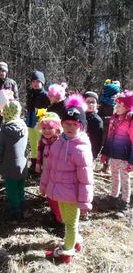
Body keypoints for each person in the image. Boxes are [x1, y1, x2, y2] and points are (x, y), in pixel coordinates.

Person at [40, 94, 94, 263]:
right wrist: (44, 184)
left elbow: (86, 179)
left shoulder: (81, 149)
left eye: (75, 124)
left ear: (82, 126)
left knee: (69, 224)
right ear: (62, 124)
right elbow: (49, 166)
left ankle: (66, 252)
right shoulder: (59, 142)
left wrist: (85, 201)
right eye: (67, 124)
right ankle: (76, 242)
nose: (70, 127)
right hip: (59, 191)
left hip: (72, 194)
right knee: (68, 220)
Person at [101, 90, 133, 218]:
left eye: (120, 106)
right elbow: (109, 137)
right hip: (114, 154)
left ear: (127, 107)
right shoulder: (114, 119)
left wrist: (132, 160)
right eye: (116, 105)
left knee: (125, 180)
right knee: (114, 176)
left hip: (125, 157)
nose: (117, 108)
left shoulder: (130, 120)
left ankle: (124, 203)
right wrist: (105, 153)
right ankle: (113, 198)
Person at [0, 100, 28, 220]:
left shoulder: (5, 130)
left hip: (9, 166)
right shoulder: (24, 126)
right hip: (23, 164)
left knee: (11, 189)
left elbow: (0, 149)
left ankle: (15, 211)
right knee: (20, 186)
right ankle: (22, 204)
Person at [36, 112, 63, 225]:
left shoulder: (60, 142)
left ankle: (60, 219)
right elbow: (40, 154)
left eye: (50, 128)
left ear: (57, 128)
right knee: (48, 192)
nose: (47, 131)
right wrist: (38, 166)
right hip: (46, 170)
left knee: (55, 194)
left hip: (57, 173)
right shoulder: (42, 141)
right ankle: (53, 212)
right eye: (44, 128)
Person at [0, 62, 19, 146]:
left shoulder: (12, 83)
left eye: (3, 71)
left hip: (9, 109)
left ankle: (9, 139)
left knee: (9, 124)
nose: (1, 73)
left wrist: (15, 105)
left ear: (6, 72)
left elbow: (16, 96)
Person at [25, 70, 50, 173]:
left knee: (41, 144)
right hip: (30, 121)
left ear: (42, 83)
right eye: (33, 81)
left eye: (38, 81)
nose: (35, 84)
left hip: (40, 122)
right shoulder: (30, 93)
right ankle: (34, 163)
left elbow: (48, 110)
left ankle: (42, 165)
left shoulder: (45, 95)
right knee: (33, 143)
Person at [98, 80, 121, 172]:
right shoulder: (104, 104)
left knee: (111, 148)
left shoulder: (118, 104)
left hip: (115, 131)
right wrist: (109, 119)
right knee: (103, 146)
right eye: (115, 93)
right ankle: (103, 165)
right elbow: (99, 117)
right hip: (104, 130)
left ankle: (109, 166)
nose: (116, 95)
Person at [83, 91, 103, 161]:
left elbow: (97, 142)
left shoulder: (97, 120)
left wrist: (93, 156)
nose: (90, 104)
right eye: (88, 101)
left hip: (88, 153)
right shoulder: (79, 116)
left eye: (93, 102)